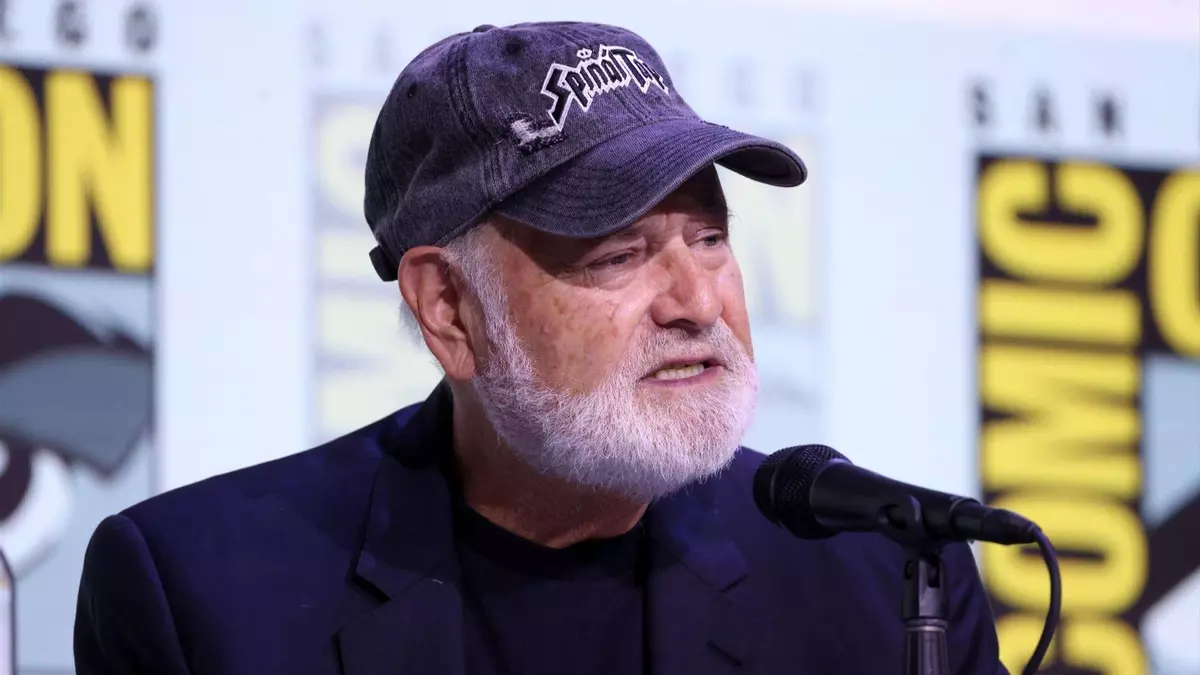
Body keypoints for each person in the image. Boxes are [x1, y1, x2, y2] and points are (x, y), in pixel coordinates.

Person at [74, 21, 1006, 675]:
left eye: (710, 238)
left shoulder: (882, 584)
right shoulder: (202, 597)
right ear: (449, 309)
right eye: (618, 254)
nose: (697, 302)